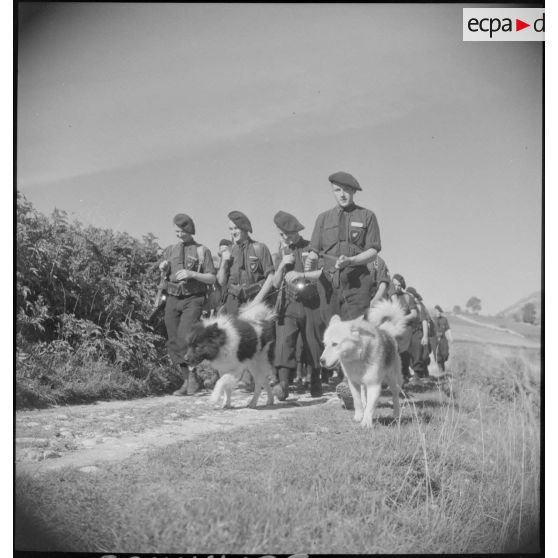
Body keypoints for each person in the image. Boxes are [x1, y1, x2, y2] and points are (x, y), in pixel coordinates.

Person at [306, 171, 382, 324]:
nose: (342, 194)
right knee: (331, 334)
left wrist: (352, 260)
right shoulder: (322, 218)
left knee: (354, 333)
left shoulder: (367, 216)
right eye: (337, 190)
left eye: (346, 190)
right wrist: (311, 258)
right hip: (328, 284)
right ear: (332, 191)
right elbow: (314, 250)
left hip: (357, 284)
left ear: (353, 191)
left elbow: (373, 251)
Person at [158, 213, 216, 395]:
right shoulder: (169, 250)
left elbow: (211, 277)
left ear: (188, 230)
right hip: (172, 298)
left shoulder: (202, 251)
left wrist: (192, 274)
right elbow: (164, 277)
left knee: (185, 337)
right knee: (173, 340)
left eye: (181, 231)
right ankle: (189, 381)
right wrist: (163, 269)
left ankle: (192, 378)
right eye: (175, 231)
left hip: (193, 299)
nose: (178, 234)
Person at [270, 210, 324, 399]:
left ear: (296, 232)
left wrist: (302, 275)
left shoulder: (311, 248)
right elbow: (275, 283)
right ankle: (283, 384)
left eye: (289, 235)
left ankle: (316, 381)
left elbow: (322, 274)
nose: (286, 238)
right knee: (284, 341)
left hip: (311, 303)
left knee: (313, 342)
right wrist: (282, 265)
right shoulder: (280, 254)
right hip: (289, 304)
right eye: (282, 235)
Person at [217, 211, 274, 315]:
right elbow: (221, 282)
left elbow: (270, 278)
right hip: (233, 303)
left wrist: (256, 301)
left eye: (236, 228)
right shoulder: (228, 251)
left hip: (255, 299)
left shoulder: (260, 248)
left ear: (245, 228)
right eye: (230, 229)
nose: (233, 232)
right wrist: (224, 263)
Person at [390, 273, 419, 383]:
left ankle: (403, 377)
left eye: (398, 285)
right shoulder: (389, 296)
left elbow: (414, 314)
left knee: (403, 353)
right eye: (394, 285)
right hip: (392, 329)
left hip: (405, 329)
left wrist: (402, 318)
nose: (396, 287)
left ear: (402, 285)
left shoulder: (407, 297)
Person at [406, 286, 431, 379]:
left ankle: (417, 375)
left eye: (411, 296)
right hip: (407, 332)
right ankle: (408, 374)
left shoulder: (419, 307)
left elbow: (424, 321)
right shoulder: (405, 304)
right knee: (407, 354)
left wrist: (425, 336)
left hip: (417, 332)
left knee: (417, 353)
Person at [204, 238, 232, 318]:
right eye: (222, 251)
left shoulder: (234, 264)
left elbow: (222, 281)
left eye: (226, 250)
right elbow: (220, 282)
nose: (224, 253)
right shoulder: (216, 264)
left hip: (229, 301)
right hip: (217, 303)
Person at [432, 305, 453, 372]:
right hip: (434, 340)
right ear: (434, 312)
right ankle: (441, 370)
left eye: (439, 311)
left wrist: (450, 338)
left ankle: (442, 366)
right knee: (438, 356)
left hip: (443, 339)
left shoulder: (444, 319)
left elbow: (447, 329)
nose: (438, 313)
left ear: (441, 312)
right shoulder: (432, 319)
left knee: (445, 354)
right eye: (436, 311)